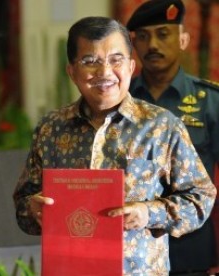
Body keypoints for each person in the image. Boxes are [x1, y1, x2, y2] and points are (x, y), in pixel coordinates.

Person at [13, 16, 216, 275]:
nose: (105, 73)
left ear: (131, 66)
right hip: (68, 268)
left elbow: (201, 198)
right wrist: (33, 208)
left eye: (115, 60)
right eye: (90, 62)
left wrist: (148, 212)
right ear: (72, 71)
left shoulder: (161, 126)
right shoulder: (52, 128)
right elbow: (23, 204)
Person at [126, 0, 219, 274]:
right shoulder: (121, 101)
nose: (152, 44)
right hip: (132, 247)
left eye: (163, 34)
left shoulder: (210, 102)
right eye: (143, 37)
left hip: (190, 244)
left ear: (183, 39)